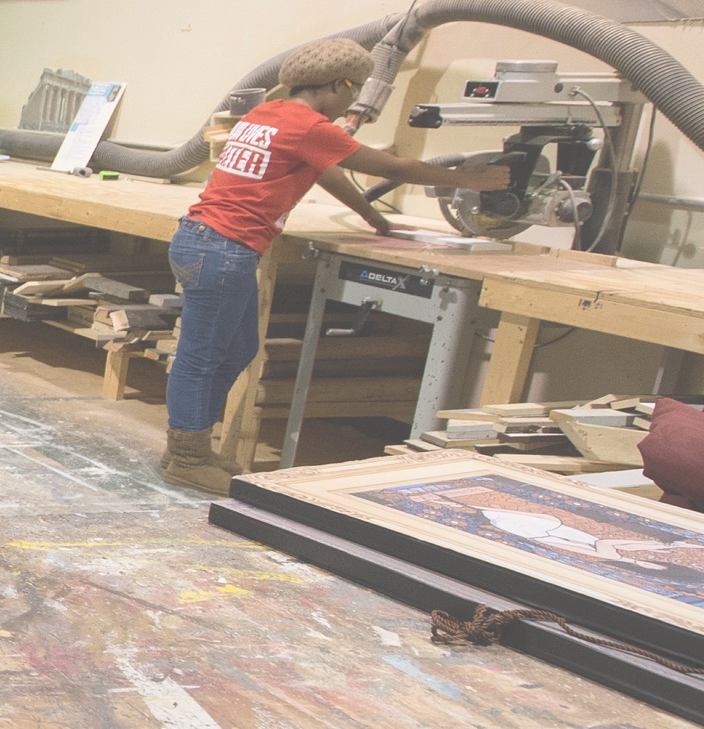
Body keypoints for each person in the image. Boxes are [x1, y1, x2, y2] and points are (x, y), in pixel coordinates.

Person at [162, 37, 509, 493]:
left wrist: (373, 217)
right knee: (202, 358)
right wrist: (471, 180)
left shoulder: (267, 113)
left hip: (205, 242)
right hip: (222, 250)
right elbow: (398, 168)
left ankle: (191, 444)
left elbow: (325, 171)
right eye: (356, 88)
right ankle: (186, 457)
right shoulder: (309, 126)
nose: (355, 98)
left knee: (238, 349)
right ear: (337, 85)